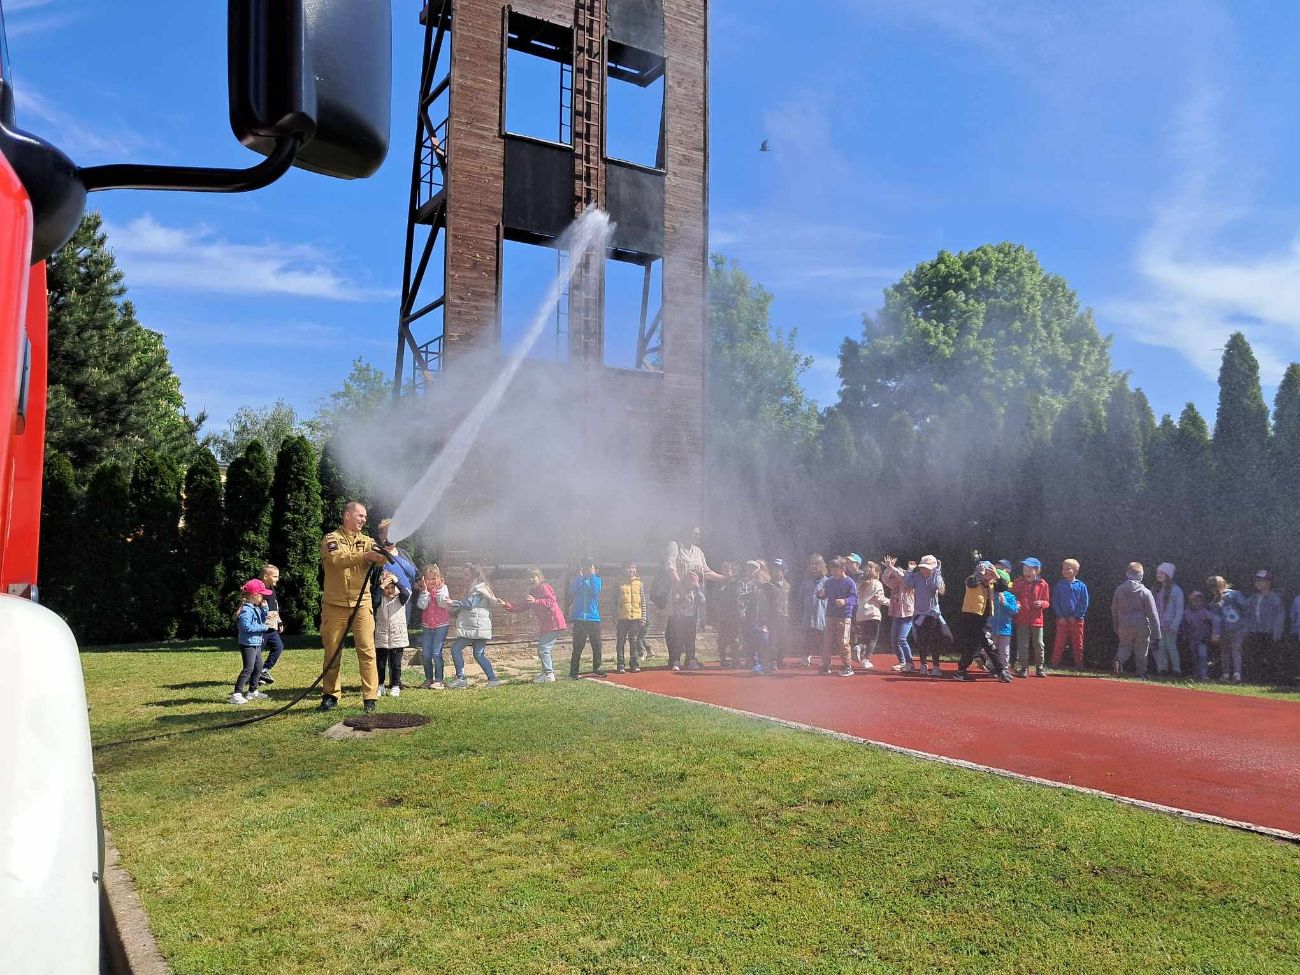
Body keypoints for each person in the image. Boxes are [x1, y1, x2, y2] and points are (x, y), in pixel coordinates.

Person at [318, 500, 388, 713]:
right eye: (360, 516)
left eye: (365, 517)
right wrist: (365, 556)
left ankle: (370, 698)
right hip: (334, 605)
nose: (364, 520)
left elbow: (380, 559)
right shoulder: (331, 539)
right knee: (332, 652)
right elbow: (337, 559)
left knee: (367, 650)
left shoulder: (367, 541)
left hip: (362, 603)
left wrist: (384, 551)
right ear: (347, 515)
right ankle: (330, 695)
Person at [663, 526, 724, 660]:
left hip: (694, 596)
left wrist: (724, 578)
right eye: (694, 533)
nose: (697, 536)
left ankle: (690, 658)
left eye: (698, 534)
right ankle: (674, 658)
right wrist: (680, 588)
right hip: (678, 594)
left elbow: (706, 572)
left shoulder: (698, 552)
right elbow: (670, 567)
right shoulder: (675, 546)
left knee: (691, 627)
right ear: (685, 533)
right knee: (674, 625)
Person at [441, 563, 505, 688]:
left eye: (466, 574)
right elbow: (469, 607)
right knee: (479, 654)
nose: (465, 577)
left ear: (474, 574)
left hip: (475, 626)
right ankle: (493, 679)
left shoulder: (478, 588)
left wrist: (453, 602)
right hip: (479, 626)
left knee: (455, 649)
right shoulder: (478, 587)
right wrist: (452, 610)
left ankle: (461, 679)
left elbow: (470, 604)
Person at [504, 567, 567, 683]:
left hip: (554, 622)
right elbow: (522, 607)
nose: (531, 579)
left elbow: (551, 601)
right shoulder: (533, 592)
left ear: (540, 577)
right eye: (529, 577)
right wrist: (506, 604)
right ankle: (545, 673)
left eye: (533, 576)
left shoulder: (544, 586)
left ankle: (549, 675)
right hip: (546, 624)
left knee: (543, 648)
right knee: (542, 649)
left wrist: (536, 601)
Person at [952, 561, 1010, 682]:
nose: (989, 576)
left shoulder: (993, 583)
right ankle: (1000, 671)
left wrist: (996, 575)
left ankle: (961, 671)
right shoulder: (972, 580)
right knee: (989, 645)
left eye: (990, 573)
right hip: (971, 618)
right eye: (987, 573)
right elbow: (972, 582)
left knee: (972, 646)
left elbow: (1004, 587)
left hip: (984, 619)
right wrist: (979, 573)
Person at [1110, 562, 1161, 679]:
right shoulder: (1145, 592)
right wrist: (1157, 634)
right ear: (1141, 575)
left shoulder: (1119, 590)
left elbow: (1114, 609)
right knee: (1142, 649)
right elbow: (1153, 614)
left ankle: (1119, 660)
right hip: (1141, 625)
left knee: (1124, 646)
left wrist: (1116, 625)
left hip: (1124, 624)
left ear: (1127, 574)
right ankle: (1141, 673)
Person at [231, 578, 274, 704]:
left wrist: (265, 610)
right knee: (248, 668)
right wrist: (265, 627)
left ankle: (252, 691)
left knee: (258, 666)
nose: (263, 597)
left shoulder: (255, 607)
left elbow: (261, 619)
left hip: (255, 642)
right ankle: (237, 694)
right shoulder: (246, 610)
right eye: (262, 595)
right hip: (248, 644)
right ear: (254, 595)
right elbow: (246, 627)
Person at [908, 555, 949, 678]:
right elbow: (907, 583)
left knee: (933, 640)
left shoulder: (935, 576)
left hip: (932, 615)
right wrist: (910, 570)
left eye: (928, 569)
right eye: (922, 568)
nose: (924, 571)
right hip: (919, 614)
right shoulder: (916, 577)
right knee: (921, 640)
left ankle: (936, 666)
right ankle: (923, 665)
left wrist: (936, 572)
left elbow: (936, 586)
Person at [1243, 569, 1285, 684]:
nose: (1258, 583)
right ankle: (1256, 680)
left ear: (1268, 582)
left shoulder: (1275, 598)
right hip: (1255, 632)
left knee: (1272, 657)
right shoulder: (1252, 598)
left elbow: (1280, 617)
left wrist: (1277, 633)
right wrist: (1247, 630)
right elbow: (1246, 615)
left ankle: (1272, 680)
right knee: (1256, 656)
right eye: (1256, 580)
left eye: (1261, 580)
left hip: (1270, 632)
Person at [373, 570, 411, 698]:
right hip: (382, 635)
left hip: (397, 636)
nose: (389, 591)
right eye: (386, 588)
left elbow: (406, 592)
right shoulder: (380, 598)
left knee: (395, 664)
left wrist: (396, 580)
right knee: (381, 663)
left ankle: (395, 685)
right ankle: (380, 685)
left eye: (392, 587)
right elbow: (374, 600)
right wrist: (381, 586)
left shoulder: (400, 598)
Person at [818, 557, 858, 676]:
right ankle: (825, 665)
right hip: (830, 615)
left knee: (843, 642)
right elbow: (824, 595)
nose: (833, 573)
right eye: (831, 570)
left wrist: (845, 601)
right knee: (827, 641)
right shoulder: (829, 581)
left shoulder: (850, 582)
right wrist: (821, 595)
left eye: (835, 570)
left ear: (843, 569)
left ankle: (847, 666)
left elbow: (854, 598)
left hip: (844, 617)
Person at [414, 564, 451, 689]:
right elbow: (422, 605)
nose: (431, 581)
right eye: (428, 579)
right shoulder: (424, 591)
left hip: (441, 625)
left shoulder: (443, 588)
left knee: (436, 653)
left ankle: (439, 680)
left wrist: (439, 591)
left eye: (433, 578)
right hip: (427, 626)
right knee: (426, 654)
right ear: (424, 579)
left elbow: (442, 604)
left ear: (439, 579)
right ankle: (428, 678)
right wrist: (425, 591)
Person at [1206, 575, 1248, 683]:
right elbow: (1245, 606)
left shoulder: (1215, 603)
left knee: (1226, 652)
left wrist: (1215, 634)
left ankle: (1226, 674)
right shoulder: (1236, 594)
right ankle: (1236, 674)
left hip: (1226, 630)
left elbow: (1217, 620)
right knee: (1235, 652)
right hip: (1237, 628)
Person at [739, 560, 777, 675]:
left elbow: (773, 606)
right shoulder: (753, 591)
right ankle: (756, 665)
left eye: (758, 578)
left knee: (765, 643)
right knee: (753, 643)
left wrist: (768, 622)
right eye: (754, 578)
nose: (755, 580)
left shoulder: (770, 590)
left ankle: (766, 664)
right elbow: (742, 597)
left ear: (764, 578)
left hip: (764, 623)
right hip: (753, 623)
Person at [568, 559, 605, 678]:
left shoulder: (597, 580)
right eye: (585, 568)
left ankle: (597, 667)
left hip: (593, 618)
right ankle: (574, 670)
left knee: (596, 644)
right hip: (579, 618)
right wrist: (579, 576)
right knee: (578, 645)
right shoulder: (578, 580)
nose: (587, 570)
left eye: (590, 568)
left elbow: (595, 591)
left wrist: (593, 575)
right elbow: (572, 590)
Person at [1050, 558, 1089, 670]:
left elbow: (1084, 603)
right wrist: (1060, 616)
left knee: (1078, 642)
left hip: (1077, 620)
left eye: (1068, 569)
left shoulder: (1081, 586)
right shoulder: (1059, 585)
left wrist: (1076, 616)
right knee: (1059, 641)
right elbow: (1056, 601)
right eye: (1063, 569)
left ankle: (1079, 664)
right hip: (1062, 619)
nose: (1065, 571)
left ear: (1075, 571)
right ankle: (1054, 663)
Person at [792, 554, 828, 668]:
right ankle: (805, 658)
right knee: (807, 639)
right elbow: (799, 600)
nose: (814, 567)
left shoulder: (828, 582)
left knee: (823, 640)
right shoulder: (805, 582)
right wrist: (798, 613)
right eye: (812, 564)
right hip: (807, 617)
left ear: (822, 566)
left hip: (822, 616)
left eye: (816, 564)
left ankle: (824, 660)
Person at [666, 570, 706, 672]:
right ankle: (676, 661)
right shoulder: (681, 590)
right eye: (689, 580)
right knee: (679, 641)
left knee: (691, 642)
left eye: (693, 580)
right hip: (681, 619)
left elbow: (702, 601)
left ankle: (691, 661)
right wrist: (679, 596)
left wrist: (698, 589)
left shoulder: (697, 592)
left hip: (692, 619)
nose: (691, 582)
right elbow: (676, 600)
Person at [882, 556, 917, 673]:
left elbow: (903, 577)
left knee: (902, 638)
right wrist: (888, 568)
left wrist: (892, 567)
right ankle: (902, 662)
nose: (893, 579)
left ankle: (910, 663)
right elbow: (885, 579)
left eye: (894, 575)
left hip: (907, 615)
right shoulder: (894, 586)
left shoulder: (908, 584)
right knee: (894, 640)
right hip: (897, 615)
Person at [1152, 562, 1185, 678]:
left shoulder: (1176, 591)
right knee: (1161, 646)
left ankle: (1176, 670)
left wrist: (1175, 624)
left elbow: (1179, 610)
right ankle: (1162, 669)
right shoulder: (1157, 590)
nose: (1159, 575)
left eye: (1162, 573)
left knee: (1171, 646)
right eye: (1158, 573)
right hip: (1160, 624)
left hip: (1171, 624)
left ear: (1168, 575)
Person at [854, 560, 887, 669]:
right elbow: (880, 598)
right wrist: (892, 602)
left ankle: (859, 646)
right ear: (876, 572)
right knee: (873, 638)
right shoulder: (877, 583)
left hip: (860, 614)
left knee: (864, 635)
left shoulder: (860, 583)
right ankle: (866, 659)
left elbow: (856, 597)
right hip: (873, 614)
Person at [615, 563, 647, 674]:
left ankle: (634, 663)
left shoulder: (639, 584)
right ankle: (621, 664)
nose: (631, 570)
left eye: (633, 567)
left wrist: (643, 618)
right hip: (622, 618)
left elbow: (643, 602)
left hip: (635, 618)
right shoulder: (619, 583)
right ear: (624, 569)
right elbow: (613, 602)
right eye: (628, 567)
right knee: (621, 641)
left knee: (633, 641)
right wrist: (615, 616)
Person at [257, 563, 285, 685]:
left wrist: (279, 621)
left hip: (272, 627)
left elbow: (275, 606)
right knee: (256, 653)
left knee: (278, 647)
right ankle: (254, 674)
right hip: (262, 627)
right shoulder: (258, 589)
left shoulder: (271, 589)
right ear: (265, 576)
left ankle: (264, 669)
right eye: (275, 576)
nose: (277, 579)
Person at [1181, 590, 1218, 681]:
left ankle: (1204, 675)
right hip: (1192, 638)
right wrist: (1184, 633)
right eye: (1195, 601)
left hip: (1203, 639)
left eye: (1200, 601)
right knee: (1194, 657)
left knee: (1202, 656)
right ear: (1190, 601)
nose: (1198, 603)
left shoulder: (1204, 612)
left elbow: (1216, 619)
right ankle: (1196, 674)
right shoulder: (1186, 612)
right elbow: (1183, 625)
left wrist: (1214, 633)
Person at [713, 562, 743, 668]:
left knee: (734, 638)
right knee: (722, 639)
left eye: (727, 570)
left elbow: (739, 599)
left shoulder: (737, 584)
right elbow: (715, 600)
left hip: (734, 616)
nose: (725, 572)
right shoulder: (719, 585)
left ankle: (735, 659)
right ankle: (723, 660)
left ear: (732, 572)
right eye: (723, 569)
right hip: (722, 616)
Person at [770, 559, 792, 668]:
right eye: (774, 570)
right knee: (773, 639)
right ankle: (773, 660)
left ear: (784, 571)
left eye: (778, 570)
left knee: (782, 639)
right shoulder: (769, 585)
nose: (776, 572)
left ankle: (780, 660)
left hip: (785, 616)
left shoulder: (788, 585)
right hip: (773, 617)